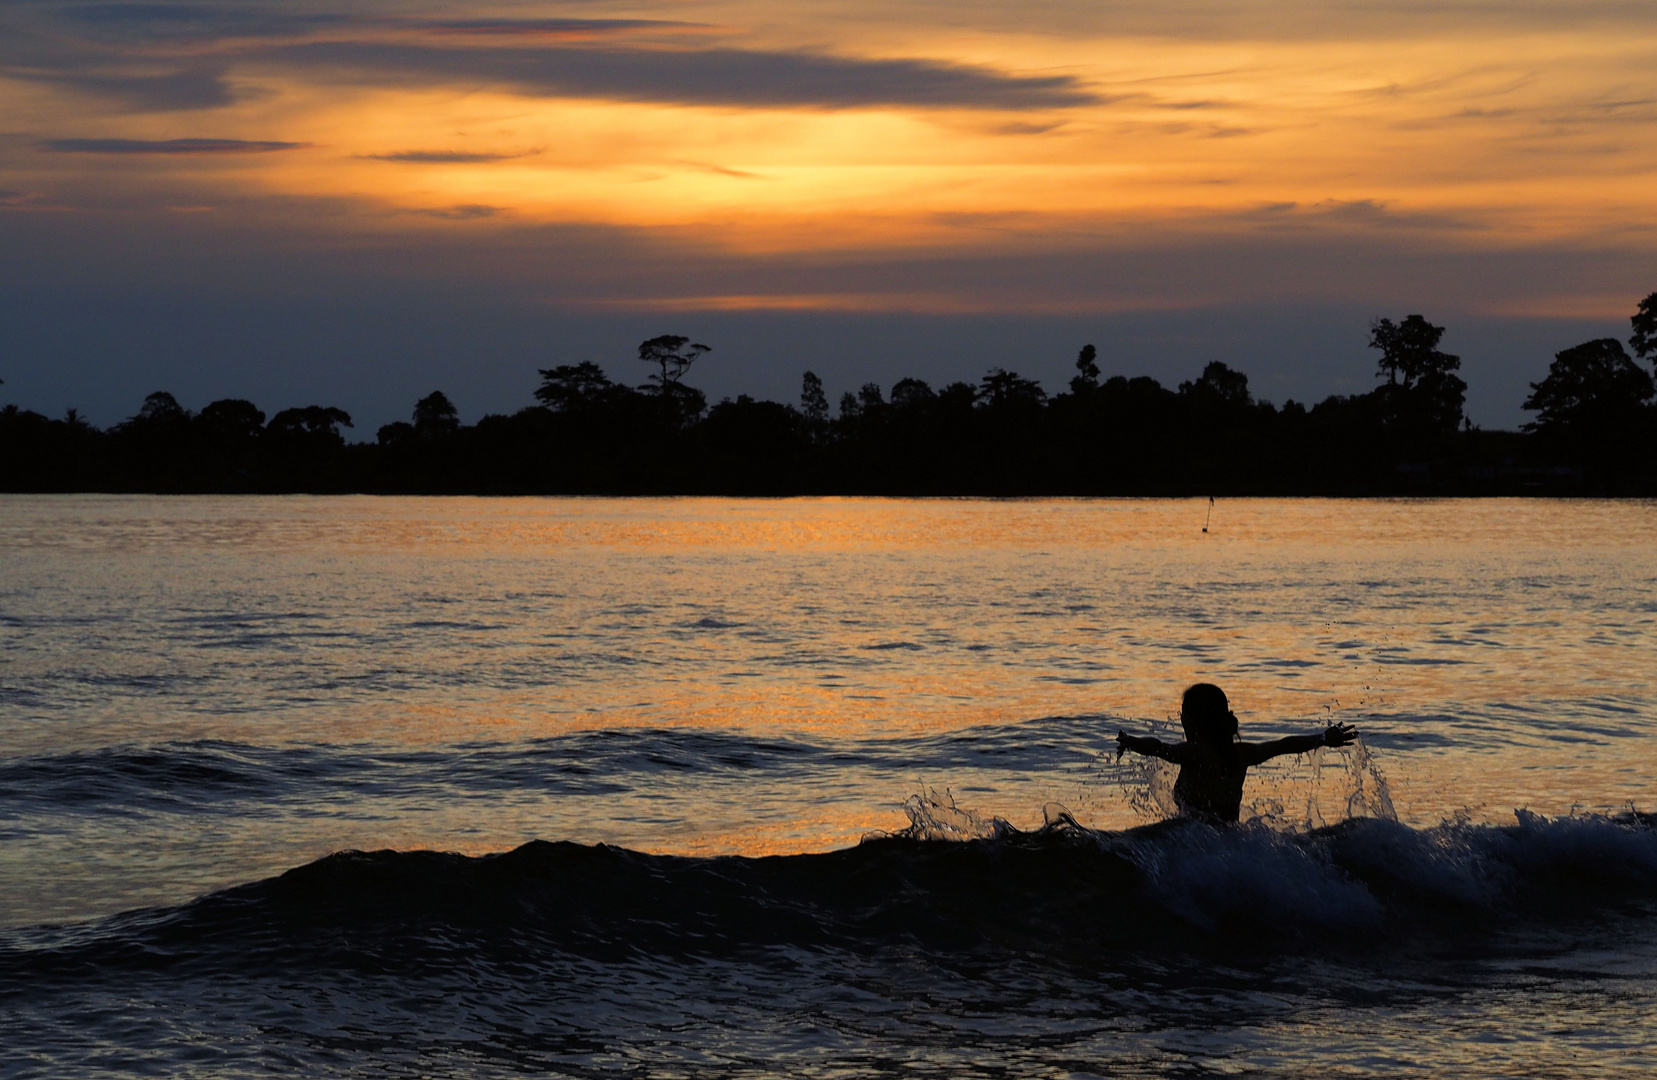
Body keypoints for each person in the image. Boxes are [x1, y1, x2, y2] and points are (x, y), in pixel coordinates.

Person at [1116, 683, 1356, 823]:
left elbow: (1159, 748)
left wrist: (1131, 742)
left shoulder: (1194, 753)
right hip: (1231, 845)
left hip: (1198, 845)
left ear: (1192, 720)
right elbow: (1283, 745)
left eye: (1182, 714)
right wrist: (1322, 738)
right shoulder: (1242, 754)